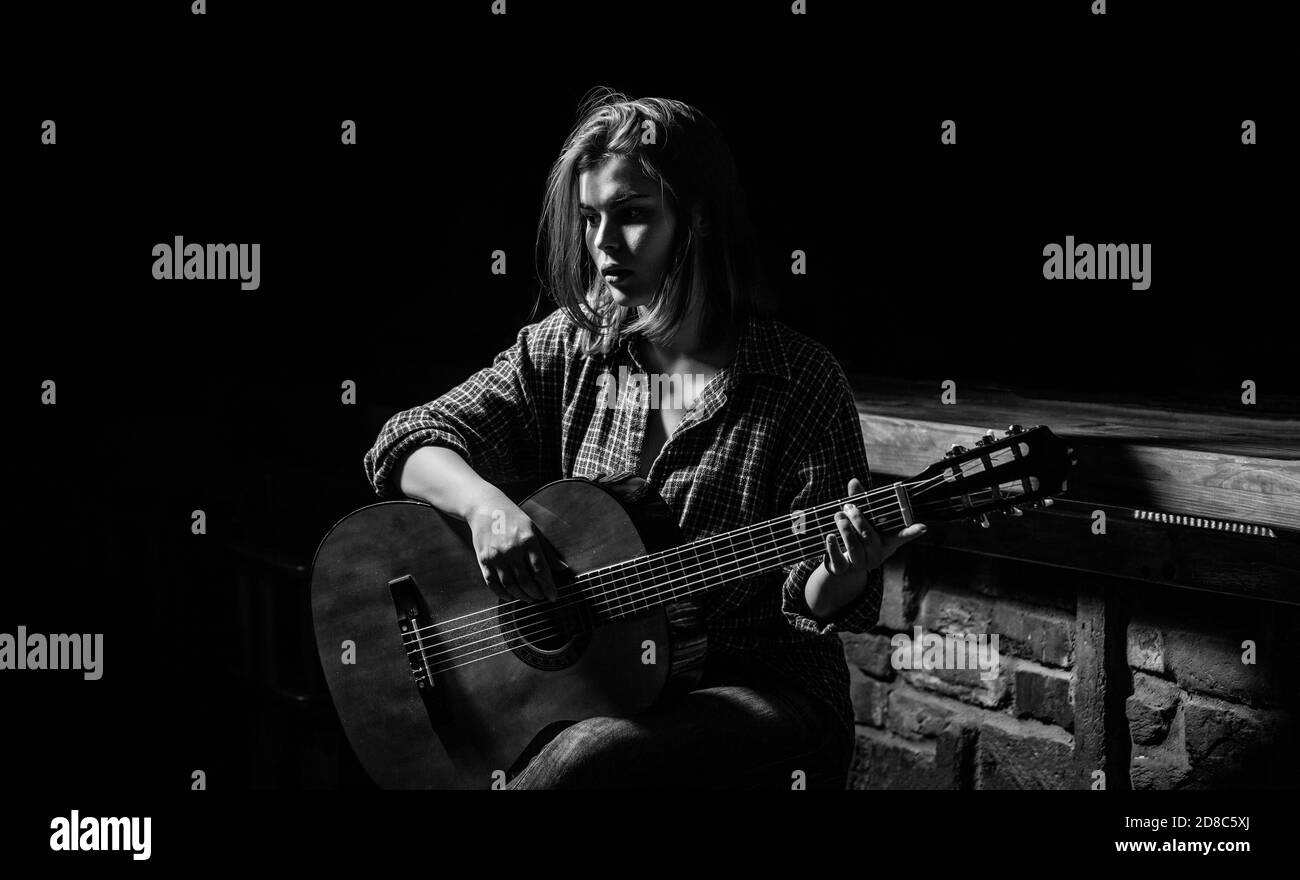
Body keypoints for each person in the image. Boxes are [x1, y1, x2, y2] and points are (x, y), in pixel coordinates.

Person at [362, 89, 926, 789]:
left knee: (581, 762)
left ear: (697, 220)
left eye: (631, 216)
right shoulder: (571, 348)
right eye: (591, 217)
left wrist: (839, 574)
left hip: (761, 692)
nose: (601, 244)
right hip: (609, 680)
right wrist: (486, 509)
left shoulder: (800, 382)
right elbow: (407, 442)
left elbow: (811, 604)